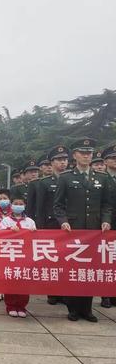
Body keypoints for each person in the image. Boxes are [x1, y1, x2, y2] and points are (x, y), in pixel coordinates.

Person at [54, 138, 112, 322]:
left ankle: (87, 309)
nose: (86, 156)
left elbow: (107, 205)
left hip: (95, 231)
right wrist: (63, 221)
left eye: (89, 153)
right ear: (75, 155)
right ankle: (73, 308)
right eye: (82, 152)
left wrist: (106, 220)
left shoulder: (102, 178)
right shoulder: (66, 178)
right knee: (73, 269)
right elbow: (58, 205)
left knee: (91, 270)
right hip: (73, 231)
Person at [35, 145, 69, 305]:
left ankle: (66, 291)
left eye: (65, 160)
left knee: (69, 259)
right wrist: (40, 229)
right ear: (52, 162)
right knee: (52, 260)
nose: (62, 163)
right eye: (59, 160)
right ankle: (53, 292)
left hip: (70, 225)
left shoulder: (72, 179)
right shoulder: (44, 183)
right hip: (51, 225)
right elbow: (40, 208)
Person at [0, 196, 36, 317]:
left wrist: (34, 232)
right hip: (10, 255)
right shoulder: (5, 221)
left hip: (25, 255)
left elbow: (36, 238)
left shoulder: (30, 221)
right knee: (11, 279)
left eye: (21, 204)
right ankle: (11, 306)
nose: (18, 206)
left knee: (24, 280)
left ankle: (21, 306)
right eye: (16, 203)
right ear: (11, 205)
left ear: (24, 206)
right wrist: (10, 230)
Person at [100, 144, 116, 308]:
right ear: (105, 161)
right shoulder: (101, 178)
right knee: (105, 260)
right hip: (105, 224)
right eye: (113, 158)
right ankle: (105, 294)